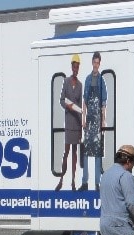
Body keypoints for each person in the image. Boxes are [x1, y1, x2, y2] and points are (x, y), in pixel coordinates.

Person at [79, 51, 108, 191]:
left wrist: (103, 121)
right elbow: (84, 101)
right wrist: (83, 119)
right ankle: (85, 181)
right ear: (92, 62)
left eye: (98, 62)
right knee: (85, 150)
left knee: (97, 152)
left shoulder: (102, 80)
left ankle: (97, 183)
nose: (96, 65)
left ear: (99, 63)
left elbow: (103, 103)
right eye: (94, 62)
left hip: (97, 118)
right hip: (89, 119)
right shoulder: (88, 79)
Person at [56, 54, 83, 191]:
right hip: (68, 121)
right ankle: (61, 179)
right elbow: (61, 100)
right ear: (71, 66)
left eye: (77, 67)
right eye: (74, 66)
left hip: (77, 124)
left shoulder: (80, 85)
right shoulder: (66, 81)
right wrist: (67, 106)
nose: (75, 69)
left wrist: (81, 123)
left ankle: (73, 181)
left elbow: (79, 106)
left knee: (74, 153)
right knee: (66, 152)